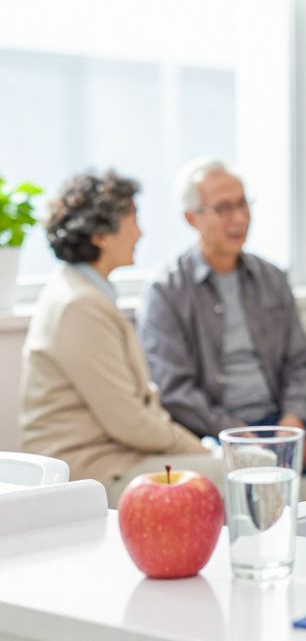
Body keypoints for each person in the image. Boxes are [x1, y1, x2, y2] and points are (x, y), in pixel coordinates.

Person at [138, 159, 306, 499]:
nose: (239, 218)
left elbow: (299, 362)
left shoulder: (272, 278)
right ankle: (270, 532)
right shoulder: (166, 290)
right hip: (211, 430)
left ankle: (305, 532)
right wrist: (234, 432)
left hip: (276, 421)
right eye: (223, 208)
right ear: (192, 218)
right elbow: (175, 389)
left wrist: (293, 419)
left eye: (243, 204)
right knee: (245, 475)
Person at [19, 171, 225, 506]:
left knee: (242, 466)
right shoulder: (79, 306)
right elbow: (129, 422)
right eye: (133, 219)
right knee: (235, 473)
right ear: (101, 235)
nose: (140, 232)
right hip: (92, 471)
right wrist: (205, 451)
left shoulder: (81, 293)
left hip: (113, 457)